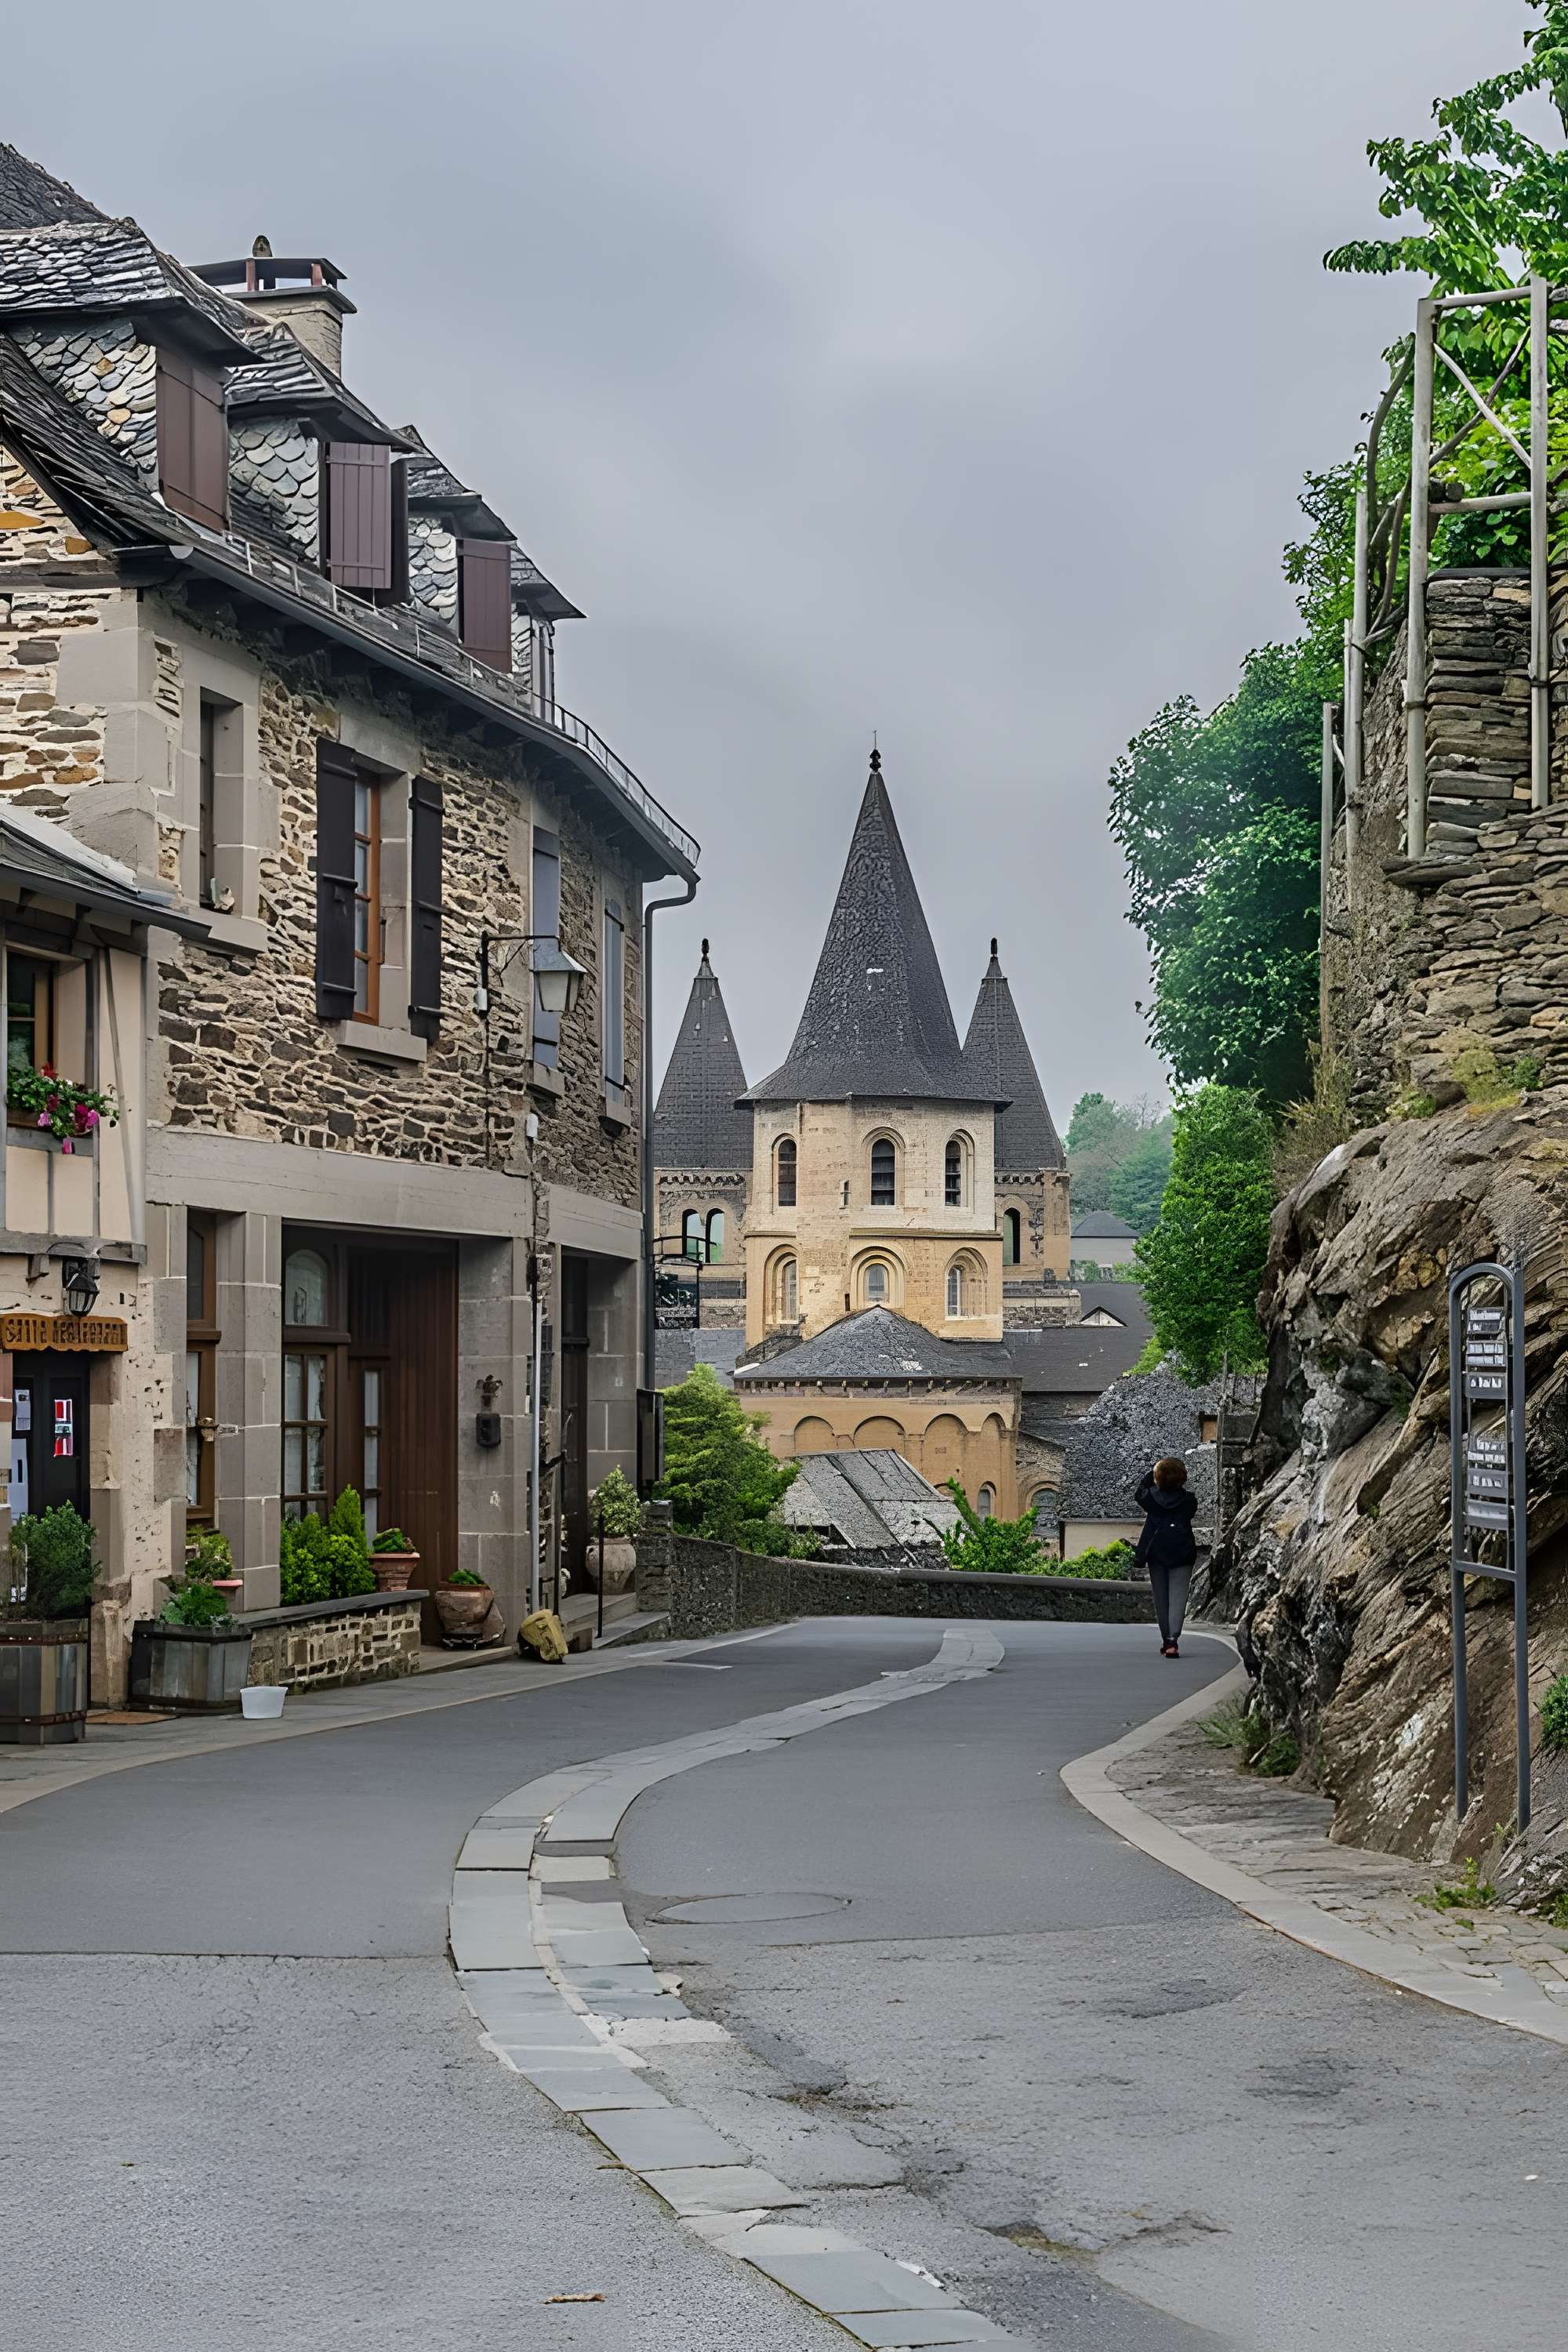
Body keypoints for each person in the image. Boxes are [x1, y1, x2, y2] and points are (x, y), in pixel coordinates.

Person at [1134, 1456, 1198, 1658]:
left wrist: (1152, 1475)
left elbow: (1139, 1493)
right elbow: (1190, 1513)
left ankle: (1166, 1640)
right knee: (1178, 1596)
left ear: (1158, 1478)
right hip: (1182, 1549)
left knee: (1161, 1597)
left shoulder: (1152, 1499)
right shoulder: (1189, 1501)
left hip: (1157, 1549)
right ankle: (1173, 1639)